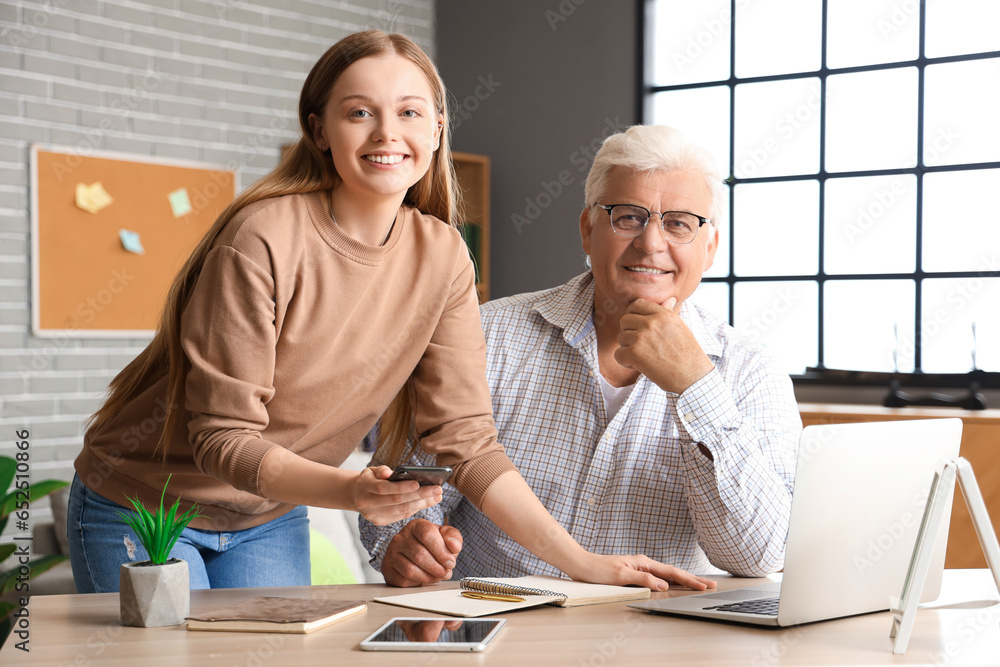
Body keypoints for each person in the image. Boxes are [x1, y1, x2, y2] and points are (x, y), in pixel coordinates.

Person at [67, 33, 713, 595]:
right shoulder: (263, 236)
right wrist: (353, 491)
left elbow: (469, 444)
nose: (386, 134)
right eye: (359, 113)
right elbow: (221, 438)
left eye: (409, 112)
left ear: (435, 130)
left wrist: (585, 564)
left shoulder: (444, 258)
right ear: (319, 129)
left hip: (267, 515)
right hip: (145, 503)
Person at [361, 125, 802, 587]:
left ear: (709, 248)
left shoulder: (751, 370)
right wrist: (403, 542)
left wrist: (695, 386)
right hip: (498, 638)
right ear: (588, 230)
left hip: (659, 646)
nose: (651, 243)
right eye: (628, 217)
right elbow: (399, 492)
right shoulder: (487, 334)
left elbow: (759, 556)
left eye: (678, 223)